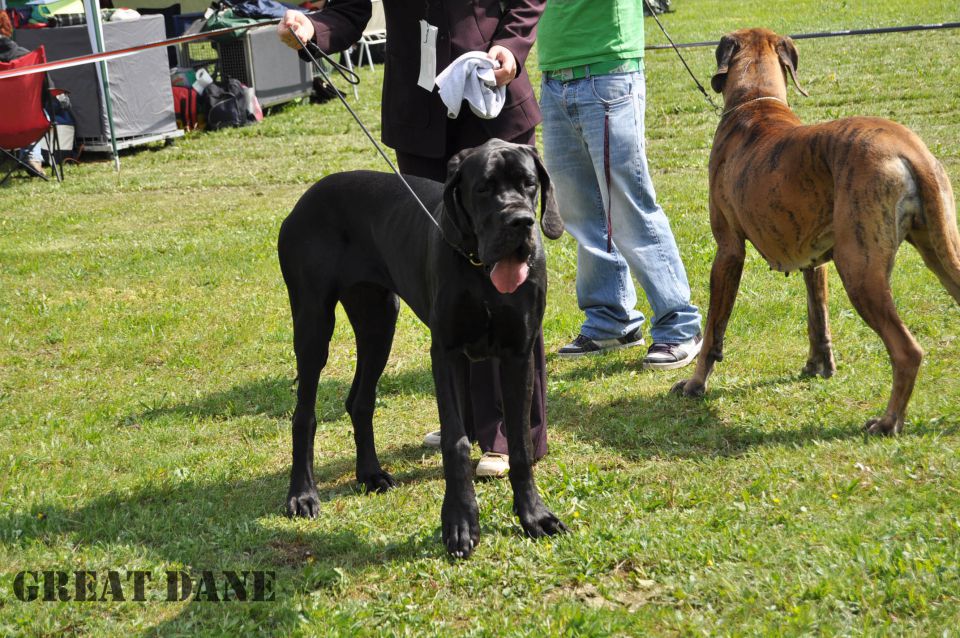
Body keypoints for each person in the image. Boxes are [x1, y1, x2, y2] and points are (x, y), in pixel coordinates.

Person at [278, 0, 549, 477]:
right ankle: (462, 421)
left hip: (492, 102)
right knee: (445, 279)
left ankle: (509, 434)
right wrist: (312, 29)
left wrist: (509, 47)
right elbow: (346, 11)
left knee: (511, 277)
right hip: (421, 120)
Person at [537, 1, 703, 369]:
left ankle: (680, 325)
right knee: (579, 209)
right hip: (554, 76)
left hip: (609, 72)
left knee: (628, 206)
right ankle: (611, 321)